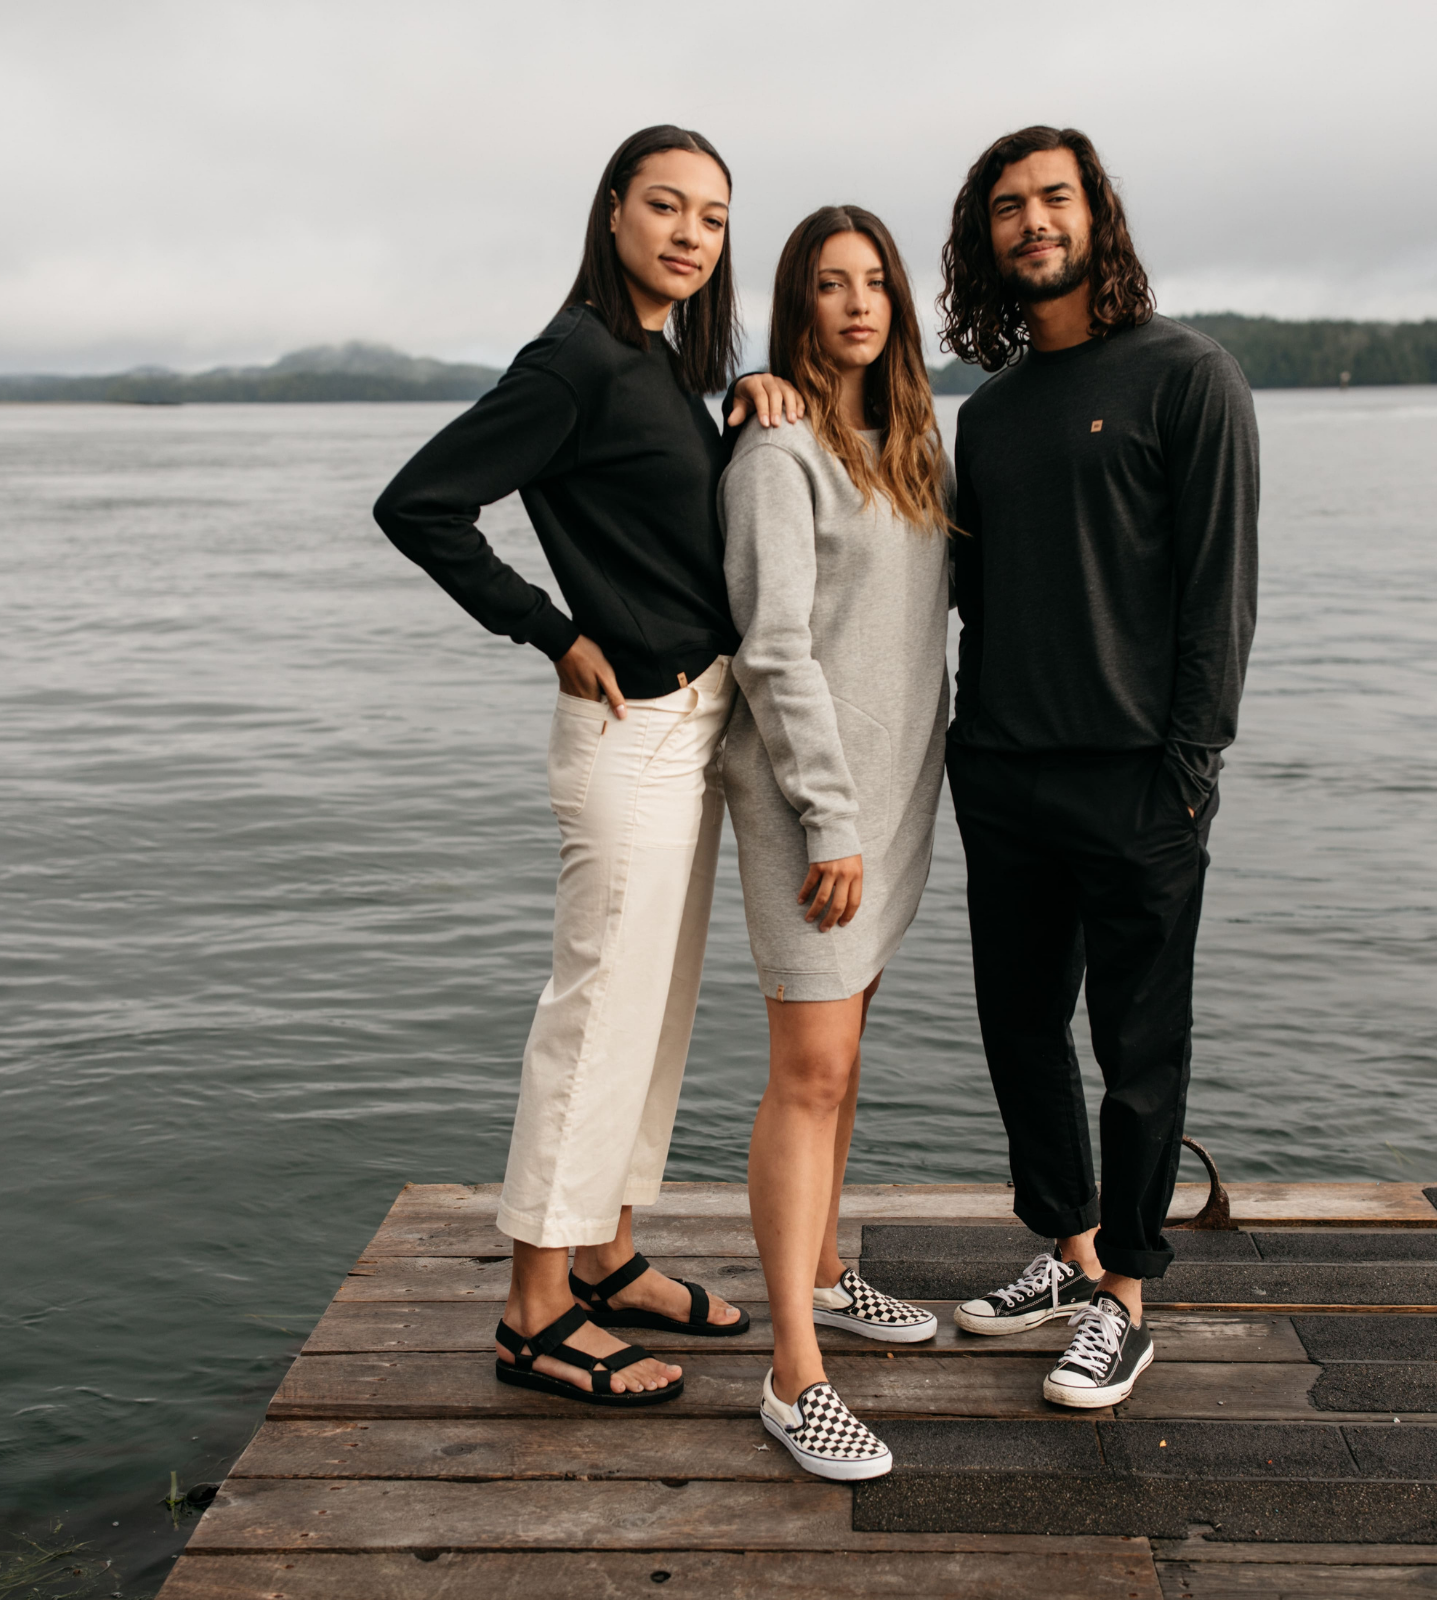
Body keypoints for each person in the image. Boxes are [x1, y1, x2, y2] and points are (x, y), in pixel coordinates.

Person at [371, 125, 801, 1408]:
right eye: (663, 205)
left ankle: (606, 1253)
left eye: (711, 217)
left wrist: (747, 401)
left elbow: (665, 515)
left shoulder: (661, 363)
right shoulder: (569, 358)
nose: (687, 232)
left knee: (652, 1016)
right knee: (592, 1016)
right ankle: (531, 1309)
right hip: (630, 733)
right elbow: (418, 503)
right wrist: (549, 631)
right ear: (612, 211)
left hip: (695, 719)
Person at [937, 127, 1258, 1408]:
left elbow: (1215, 594)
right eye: (1007, 208)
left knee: (1135, 1044)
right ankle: (1065, 1247)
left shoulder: (1190, 376)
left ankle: (1124, 1293)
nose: (1031, 223)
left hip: (1137, 779)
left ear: (1095, 214)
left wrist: (1189, 769)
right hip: (1003, 773)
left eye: (1051, 199)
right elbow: (962, 593)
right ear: (986, 238)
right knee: (1018, 1031)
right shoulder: (993, 409)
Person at [720, 206, 954, 1479]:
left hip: (892, 795)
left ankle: (824, 1264)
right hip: (816, 811)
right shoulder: (777, 448)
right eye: (828, 284)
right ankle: (790, 1368)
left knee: (845, 1057)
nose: (855, 304)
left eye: (873, 283)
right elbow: (771, 646)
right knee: (807, 1069)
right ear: (796, 304)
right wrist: (829, 815)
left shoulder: (914, 437)